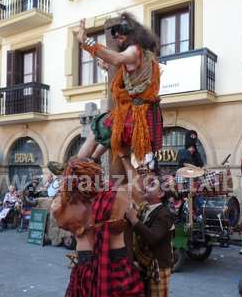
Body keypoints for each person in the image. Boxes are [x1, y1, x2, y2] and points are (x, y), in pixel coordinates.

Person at [47, 12, 162, 177]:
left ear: (131, 33)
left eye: (120, 31)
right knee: (108, 133)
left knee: (98, 127)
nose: (116, 36)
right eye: (114, 33)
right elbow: (122, 68)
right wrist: (107, 64)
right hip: (144, 114)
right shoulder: (146, 55)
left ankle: (72, 166)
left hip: (136, 116)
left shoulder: (134, 50)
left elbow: (117, 59)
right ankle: (92, 159)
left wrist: (86, 41)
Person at [53, 158, 146, 297]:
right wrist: (124, 160)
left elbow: (62, 223)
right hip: (118, 267)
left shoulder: (62, 207)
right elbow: (139, 187)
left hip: (85, 270)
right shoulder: (119, 195)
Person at [125, 172, 182, 297]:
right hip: (141, 265)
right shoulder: (143, 207)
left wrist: (134, 220)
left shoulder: (165, 214)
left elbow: (153, 238)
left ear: (160, 194)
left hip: (158, 268)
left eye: (151, 184)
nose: (146, 186)